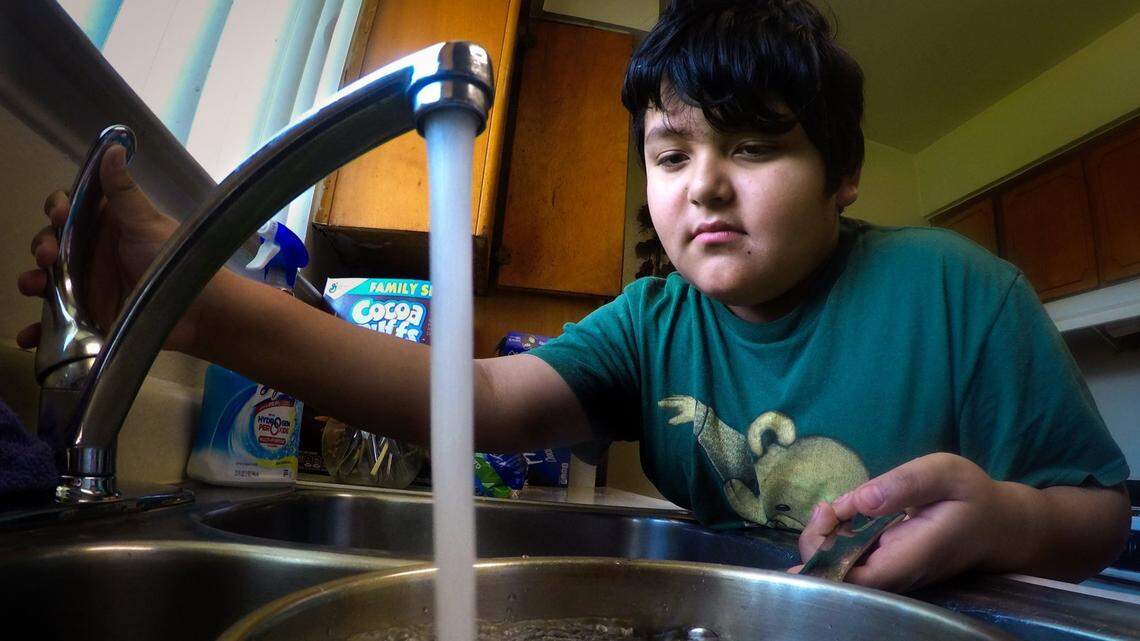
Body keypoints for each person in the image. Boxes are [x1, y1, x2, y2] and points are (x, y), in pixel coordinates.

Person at [16, 0, 1129, 593]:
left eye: (757, 147)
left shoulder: (961, 294)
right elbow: (469, 397)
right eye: (672, 150)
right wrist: (187, 300)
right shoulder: (654, 323)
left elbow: (1098, 516)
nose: (706, 184)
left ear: (843, 176)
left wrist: (1010, 516)